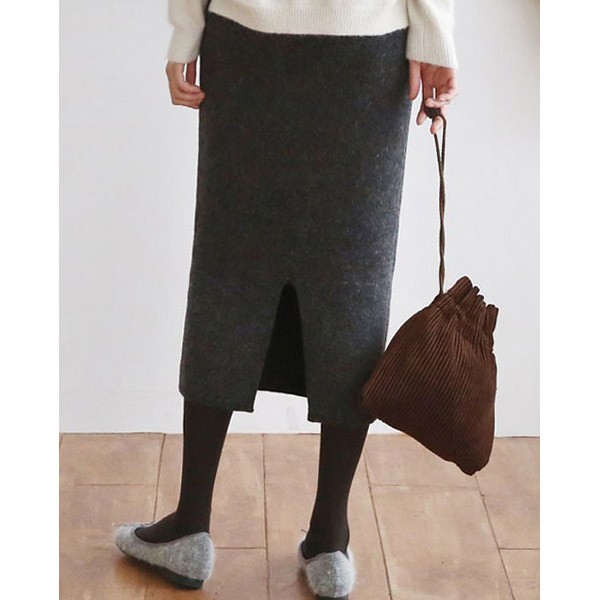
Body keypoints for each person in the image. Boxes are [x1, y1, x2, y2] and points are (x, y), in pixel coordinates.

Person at [114, 0, 458, 597]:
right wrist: (435, 36)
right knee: (352, 285)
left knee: (229, 271)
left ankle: (190, 526)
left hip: (247, 44)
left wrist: (186, 32)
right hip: (366, 49)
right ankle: (329, 540)